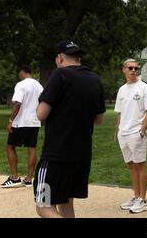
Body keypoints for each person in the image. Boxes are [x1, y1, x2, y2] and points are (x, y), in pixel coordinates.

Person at [34, 40, 105, 218]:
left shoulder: (59, 75)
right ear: (78, 58)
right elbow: (99, 119)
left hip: (56, 155)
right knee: (65, 204)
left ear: (59, 58)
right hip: (81, 155)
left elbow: (41, 114)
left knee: (43, 206)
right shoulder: (95, 79)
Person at [114, 59, 147, 214]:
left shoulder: (145, 88)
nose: (133, 70)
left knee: (140, 164)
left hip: (136, 133)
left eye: (135, 68)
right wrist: (117, 131)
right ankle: (136, 196)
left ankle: (142, 200)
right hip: (123, 133)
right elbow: (121, 112)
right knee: (131, 165)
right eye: (130, 68)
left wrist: (142, 131)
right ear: (123, 69)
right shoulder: (122, 90)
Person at [1, 65, 43, 188]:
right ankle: (29, 179)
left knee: (10, 147)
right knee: (32, 148)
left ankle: (14, 178)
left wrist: (10, 120)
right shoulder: (39, 86)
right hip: (34, 122)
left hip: (21, 122)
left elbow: (17, 103)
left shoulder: (21, 85)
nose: (18, 75)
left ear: (23, 72)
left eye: (18, 73)